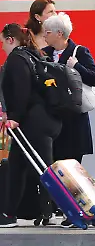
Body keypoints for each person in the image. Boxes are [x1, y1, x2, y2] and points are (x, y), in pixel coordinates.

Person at [0, 24, 61, 228]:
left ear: (11, 40)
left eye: (2, 42)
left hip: (32, 123)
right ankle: (10, 214)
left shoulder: (16, 59)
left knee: (42, 169)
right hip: (45, 120)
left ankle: (49, 211)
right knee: (18, 167)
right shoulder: (33, 55)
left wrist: (14, 117)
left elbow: (21, 90)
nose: (2, 47)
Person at [41, 14, 95, 167]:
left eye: (47, 32)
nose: (44, 36)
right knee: (52, 167)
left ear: (59, 33)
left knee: (72, 170)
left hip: (74, 122)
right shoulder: (43, 53)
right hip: (51, 119)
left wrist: (76, 66)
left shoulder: (79, 52)